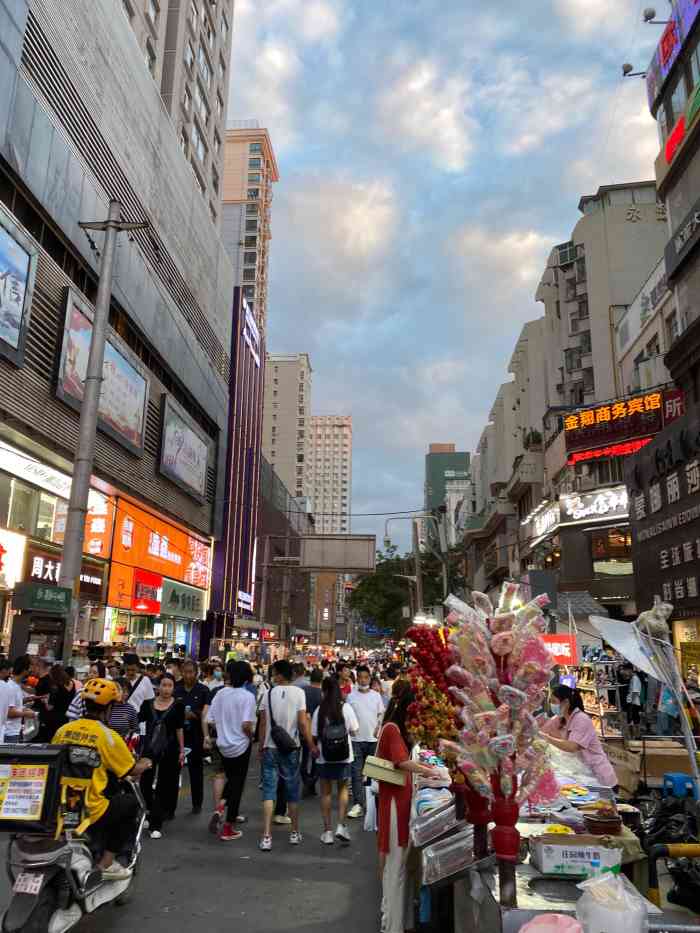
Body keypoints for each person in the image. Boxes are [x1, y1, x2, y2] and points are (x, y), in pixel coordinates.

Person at [52, 678, 152, 880]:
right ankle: (107, 863)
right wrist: (147, 763)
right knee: (130, 804)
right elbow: (130, 769)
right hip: (91, 810)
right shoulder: (108, 737)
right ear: (109, 708)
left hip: (59, 805)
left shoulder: (63, 731)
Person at [377, 688, 439, 933]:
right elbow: (401, 762)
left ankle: (400, 922)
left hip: (401, 800)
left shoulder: (396, 729)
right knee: (396, 868)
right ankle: (392, 925)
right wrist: (429, 771)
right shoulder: (392, 729)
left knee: (401, 867)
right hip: (394, 803)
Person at [257, 659, 313, 851]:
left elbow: (263, 723)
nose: (273, 676)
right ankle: (295, 832)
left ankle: (266, 836)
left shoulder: (268, 692)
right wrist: (311, 745)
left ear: (280, 674)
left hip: (270, 748)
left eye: (274, 672)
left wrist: (261, 745)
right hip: (291, 748)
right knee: (292, 791)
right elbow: (303, 723)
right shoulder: (299, 693)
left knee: (269, 792)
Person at [205, 660, 256, 841]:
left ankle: (220, 808)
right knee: (237, 784)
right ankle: (228, 827)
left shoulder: (220, 694)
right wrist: (252, 737)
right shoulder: (247, 696)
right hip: (241, 745)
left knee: (232, 779)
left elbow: (209, 719)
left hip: (223, 745)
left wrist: (223, 728)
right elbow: (246, 725)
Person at [311, 676, 359, 844]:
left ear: (323, 691)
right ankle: (341, 825)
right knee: (343, 791)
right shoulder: (345, 708)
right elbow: (354, 730)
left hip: (325, 757)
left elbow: (314, 735)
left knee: (325, 793)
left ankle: (328, 831)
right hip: (344, 756)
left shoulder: (319, 710)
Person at [542, 685, 617, 787]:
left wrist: (546, 738)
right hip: (583, 775)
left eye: (554, 701)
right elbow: (541, 730)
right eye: (550, 701)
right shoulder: (560, 718)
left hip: (598, 777)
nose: (551, 705)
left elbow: (572, 746)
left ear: (566, 702)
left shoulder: (581, 719)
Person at [139, 673, 185, 838]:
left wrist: (181, 750)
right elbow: (138, 724)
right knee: (144, 782)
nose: (166, 689)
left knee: (163, 786)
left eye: (170, 686)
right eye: (164, 685)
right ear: (158, 687)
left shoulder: (178, 706)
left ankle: (155, 824)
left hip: (170, 749)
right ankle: (151, 811)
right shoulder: (147, 704)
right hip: (149, 749)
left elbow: (180, 728)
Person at [347, 665, 385, 819]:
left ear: (370, 678)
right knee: (356, 774)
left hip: (372, 740)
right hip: (356, 740)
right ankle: (358, 804)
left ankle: (373, 805)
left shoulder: (376, 696)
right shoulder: (351, 696)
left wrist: (378, 727)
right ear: (357, 679)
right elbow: (348, 716)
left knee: (373, 773)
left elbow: (381, 714)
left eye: (366, 677)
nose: (363, 680)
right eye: (360, 677)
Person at [175, 659, 210, 814]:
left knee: (196, 771)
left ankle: (197, 804)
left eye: (191, 672)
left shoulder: (203, 690)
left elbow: (207, 713)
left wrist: (193, 715)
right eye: (185, 672)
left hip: (196, 735)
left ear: (196, 673)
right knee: (173, 771)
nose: (188, 675)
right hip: (177, 735)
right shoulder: (176, 689)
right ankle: (170, 805)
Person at [4, 656, 38, 742]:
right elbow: (9, 712)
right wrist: (26, 713)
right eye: (31, 666)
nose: (32, 670)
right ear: (24, 670)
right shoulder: (12, 687)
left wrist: (23, 708)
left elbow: (13, 706)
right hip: (9, 732)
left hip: (13, 731)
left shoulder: (16, 685)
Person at [301, 668, 323, 797]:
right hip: (317, 730)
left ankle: (306, 781)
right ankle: (311, 784)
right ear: (321, 680)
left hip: (304, 729)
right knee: (316, 758)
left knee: (303, 758)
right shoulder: (321, 694)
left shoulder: (303, 691)